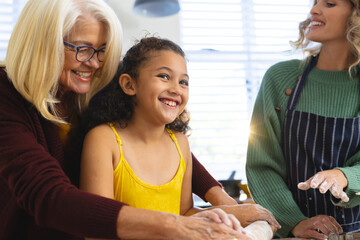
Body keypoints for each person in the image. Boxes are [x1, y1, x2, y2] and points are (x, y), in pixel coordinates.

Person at [0, 0, 279, 239]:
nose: (96, 63)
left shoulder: (87, 87)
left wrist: (220, 198)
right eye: (83, 49)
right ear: (42, 43)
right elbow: (47, 196)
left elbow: (161, 139)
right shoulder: (6, 97)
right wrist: (179, 226)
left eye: (101, 51)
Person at [78, 36, 249, 239]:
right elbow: (97, 228)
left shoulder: (180, 144)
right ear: (129, 84)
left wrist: (217, 220)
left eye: (183, 82)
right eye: (164, 76)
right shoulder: (104, 140)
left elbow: (184, 214)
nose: (176, 89)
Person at [246, 0, 360, 239]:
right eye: (315, 2)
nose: (314, 10)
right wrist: (294, 222)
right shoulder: (279, 79)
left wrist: (344, 176)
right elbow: (262, 164)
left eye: (329, 3)